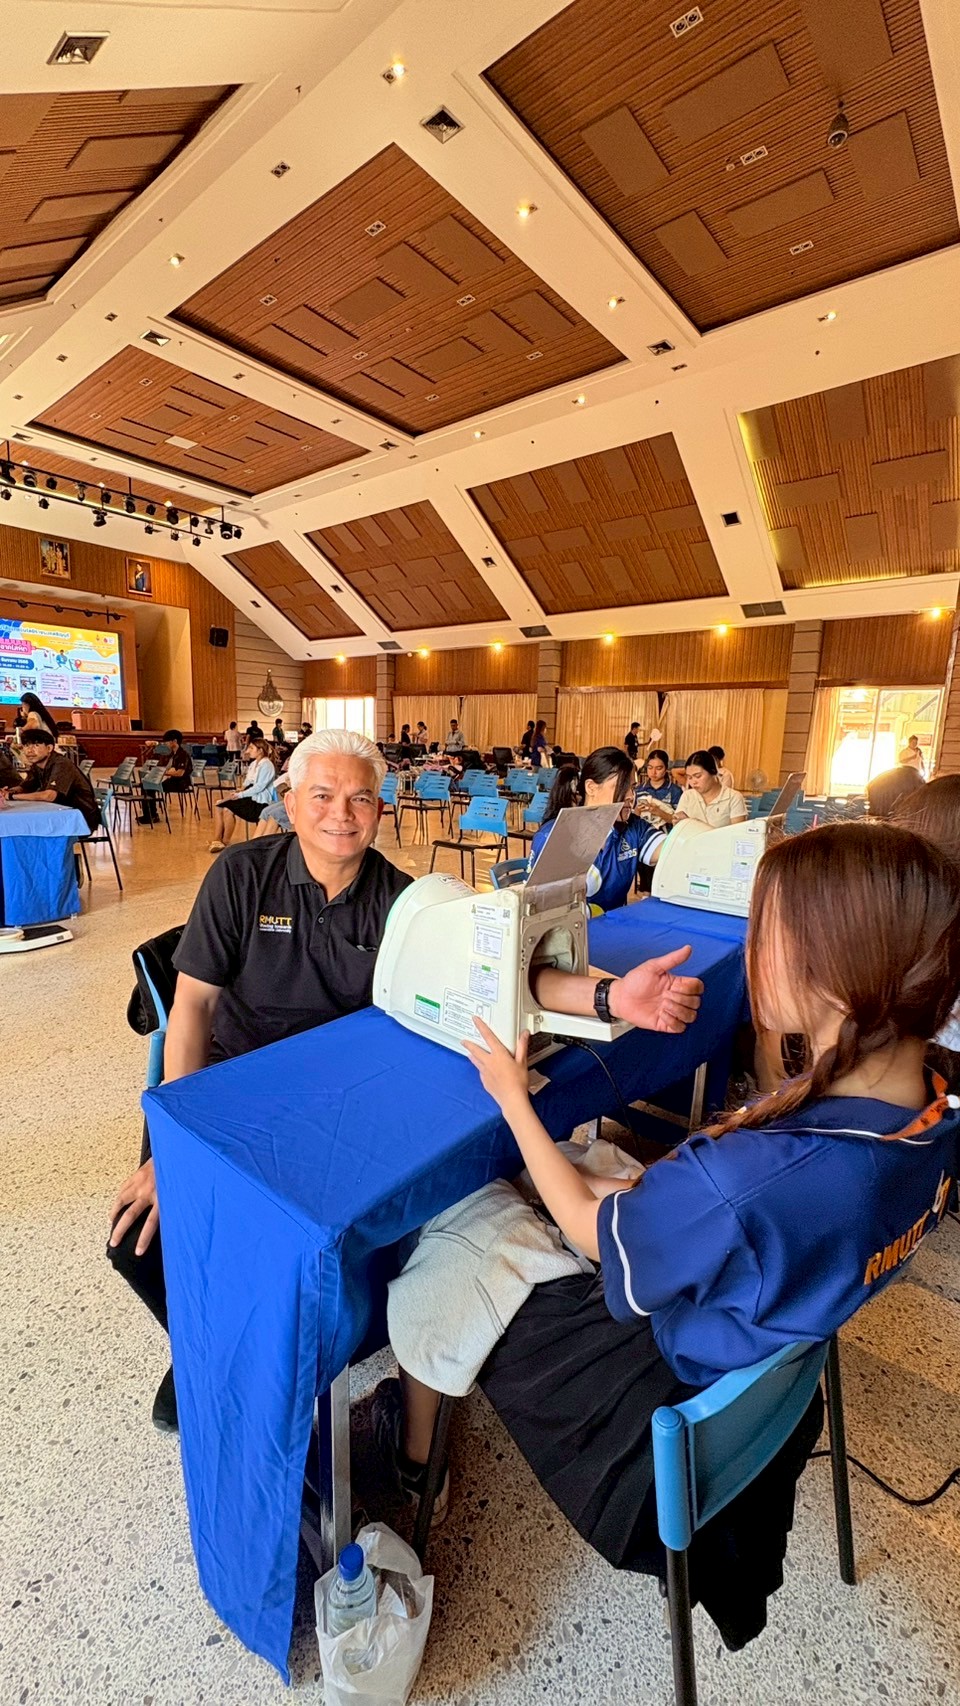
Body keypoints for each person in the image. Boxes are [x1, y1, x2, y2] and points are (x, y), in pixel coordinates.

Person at [382, 822, 960, 1636]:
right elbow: (718, 1204)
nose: (752, 952)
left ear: (835, 981)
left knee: (452, 1224)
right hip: (764, 1388)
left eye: (767, 933)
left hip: (647, 1431)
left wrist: (513, 1098)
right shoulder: (932, 1114)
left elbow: (594, 1230)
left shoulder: (747, 1181)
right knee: (592, 1162)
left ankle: (417, 1461)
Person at [106, 727, 703, 1431]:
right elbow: (192, 1010)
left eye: (360, 798)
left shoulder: (405, 899)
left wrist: (608, 997)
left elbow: (497, 976)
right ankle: (200, 1343)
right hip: (234, 1088)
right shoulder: (240, 876)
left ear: (381, 810)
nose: (341, 814)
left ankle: (297, 1338)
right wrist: (182, 1144)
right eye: (322, 796)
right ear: (289, 803)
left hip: (347, 1094)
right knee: (140, 1233)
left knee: (320, 1231)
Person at [531, 747, 665, 913]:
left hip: (614, 927)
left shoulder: (633, 826)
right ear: (591, 788)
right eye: (621, 787)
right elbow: (545, 907)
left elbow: (671, 851)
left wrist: (686, 826)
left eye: (632, 787)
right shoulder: (555, 836)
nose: (631, 796)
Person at [2, 727, 99, 831]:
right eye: (26, 745)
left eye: (36, 745)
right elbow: (25, 787)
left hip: (79, 818)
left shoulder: (61, 764)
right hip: (58, 813)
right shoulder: (37, 765)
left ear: (49, 748)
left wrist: (11, 796)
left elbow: (49, 796)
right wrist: (7, 792)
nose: (29, 750)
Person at [208, 738, 276, 852]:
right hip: (250, 795)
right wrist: (240, 790)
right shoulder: (254, 764)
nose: (248, 751)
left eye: (251, 748)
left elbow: (259, 787)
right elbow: (248, 781)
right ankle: (218, 840)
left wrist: (241, 795)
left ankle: (224, 841)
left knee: (227, 808)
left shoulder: (267, 765)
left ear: (260, 750)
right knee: (219, 806)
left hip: (259, 802)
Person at [675, 750, 747, 828]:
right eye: (689, 777)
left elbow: (737, 832)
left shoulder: (733, 798)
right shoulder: (687, 796)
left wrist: (691, 823)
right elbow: (679, 829)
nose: (693, 782)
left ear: (713, 772)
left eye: (698, 776)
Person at [138, 730, 193, 824]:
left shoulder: (183, 754)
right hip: (172, 781)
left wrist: (165, 773)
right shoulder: (173, 754)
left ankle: (152, 815)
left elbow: (180, 773)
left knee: (149, 787)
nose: (166, 744)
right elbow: (168, 768)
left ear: (174, 741)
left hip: (181, 783)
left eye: (167, 741)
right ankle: (149, 815)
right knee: (145, 784)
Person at [635, 748, 682, 825]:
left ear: (666, 769)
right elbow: (633, 819)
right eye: (650, 768)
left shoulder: (675, 791)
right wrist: (637, 811)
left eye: (658, 768)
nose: (653, 772)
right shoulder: (639, 790)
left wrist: (659, 812)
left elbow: (679, 821)